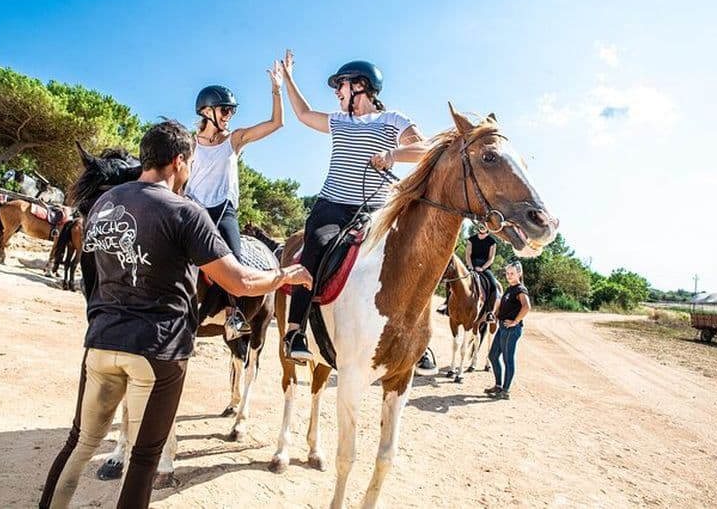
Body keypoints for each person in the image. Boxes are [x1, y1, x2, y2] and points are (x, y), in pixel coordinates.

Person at [39, 120, 312, 509]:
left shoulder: (103, 204)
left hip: (100, 344)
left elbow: (93, 276)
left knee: (79, 443)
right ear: (180, 162)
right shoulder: (187, 213)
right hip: (158, 350)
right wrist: (284, 274)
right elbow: (236, 282)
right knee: (145, 459)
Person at [279, 49, 430, 362]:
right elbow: (304, 114)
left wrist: (392, 156)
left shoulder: (393, 120)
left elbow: (424, 150)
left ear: (361, 86)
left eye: (341, 85)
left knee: (414, 254)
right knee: (316, 246)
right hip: (332, 206)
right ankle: (295, 329)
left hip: (376, 210)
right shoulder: (339, 121)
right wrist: (290, 79)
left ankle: (416, 335)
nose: (337, 91)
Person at [188, 63, 284, 337]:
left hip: (223, 211)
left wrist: (276, 91)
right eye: (225, 110)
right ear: (207, 112)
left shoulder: (235, 139)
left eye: (232, 110)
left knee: (234, 261)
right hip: (193, 210)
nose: (229, 115)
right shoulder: (190, 143)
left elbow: (276, 123)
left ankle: (234, 314)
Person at [484, 261, 531, 400]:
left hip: (512, 330)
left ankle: (505, 390)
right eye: (507, 273)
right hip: (502, 327)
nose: (509, 276)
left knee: (507, 359)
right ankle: (498, 386)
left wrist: (516, 321)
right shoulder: (510, 289)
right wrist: (495, 314)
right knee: (493, 356)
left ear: (519, 274)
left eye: (512, 273)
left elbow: (526, 306)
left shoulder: (520, 289)